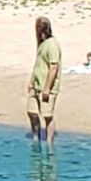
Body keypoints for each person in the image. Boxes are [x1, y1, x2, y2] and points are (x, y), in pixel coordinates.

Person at [27, 15, 62, 143]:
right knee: (31, 111)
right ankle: (36, 137)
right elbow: (38, 64)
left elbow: (53, 67)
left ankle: (49, 141)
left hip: (47, 88)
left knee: (47, 116)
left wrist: (47, 88)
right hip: (36, 86)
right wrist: (31, 81)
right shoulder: (42, 44)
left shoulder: (52, 45)